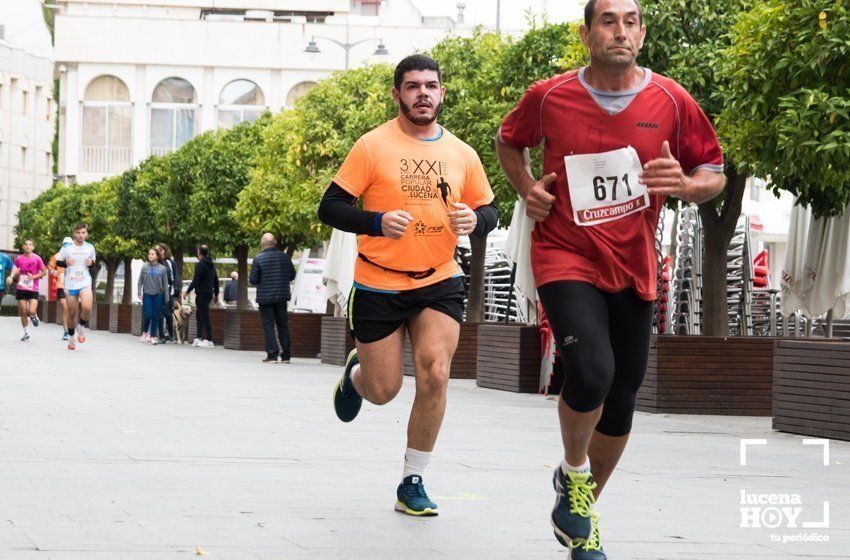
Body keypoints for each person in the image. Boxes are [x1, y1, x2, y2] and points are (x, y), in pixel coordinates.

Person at [495, 1, 725, 557]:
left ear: (642, 34)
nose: (619, 31)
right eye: (607, 20)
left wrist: (687, 187)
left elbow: (713, 171)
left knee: (622, 396)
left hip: (634, 263)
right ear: (586, 33)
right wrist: (527, 188)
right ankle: (573, 473)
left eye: (630, 21)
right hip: (565, 253)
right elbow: (509, 142)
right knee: (592, 372)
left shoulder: (671, 100)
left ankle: (580, 510)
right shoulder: (548, 95)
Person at [317, 54, 498, 516]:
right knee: (385, 390)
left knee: (436, 372)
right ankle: (357, 377)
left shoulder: (462, 153)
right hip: (378, 282)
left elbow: (490, 212)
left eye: (431, 85)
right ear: (397, 94)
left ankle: (412, 480)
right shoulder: (372, 146)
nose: (423, 93)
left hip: (439, 279)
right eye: (413, 86)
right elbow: (331, 207)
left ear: (442, 93)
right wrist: (375, 221)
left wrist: (473, 219)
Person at [249, 233, 296, 363]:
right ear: (274, 243)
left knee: (269, 326)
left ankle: (272, 355)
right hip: (281, 297)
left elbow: (253, 280)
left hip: (265, 298)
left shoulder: (258, 259)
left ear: (262, 244)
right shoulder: (285, 257)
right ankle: (286, 356)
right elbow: (292, 275)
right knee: (283, 326)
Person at [58, 223, 97, 351]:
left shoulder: (90, 247)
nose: (81, 235)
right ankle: (71, 339)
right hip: (70, 283)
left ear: (87, 234)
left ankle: (81, 326)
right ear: (74, 233)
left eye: (83, 233)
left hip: (85, 282)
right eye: (78, 233)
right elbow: (57, 261)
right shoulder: (67, 248)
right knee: (72, 312)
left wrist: (91, 263)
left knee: (87, 307)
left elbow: (93, 263)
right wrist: (65, 263)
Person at [6, 239, 46, 341]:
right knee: (23, 311)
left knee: (31, 310)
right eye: (26, 244)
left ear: (33, 247)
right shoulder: (19, 259)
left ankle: (33, 316)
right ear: (23, 247)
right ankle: (26, 333)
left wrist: (34, 277)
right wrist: (11, 276)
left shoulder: (37, 259)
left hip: (33, 289)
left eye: (30, 244)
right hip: (21, 288)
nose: (28, 246)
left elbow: (44, 272)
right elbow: (15, 268)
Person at [184, 244, 219, 347]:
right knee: (199, 315)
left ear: (199, 252)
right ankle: (199, 337)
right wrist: (216, 294)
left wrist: (187, 291)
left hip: (202, 293)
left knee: (204, 316)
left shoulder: (200, 265)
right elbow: (216, 280)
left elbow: (196, 280)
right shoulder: (211, 264)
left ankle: (209, 340)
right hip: (208, 293)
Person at [138, 247, 169, 345]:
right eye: (149, 254)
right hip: (147, 294)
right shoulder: (145, 267)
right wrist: (139, 292)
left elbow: (165, 284)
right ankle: (145, 332)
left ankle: (153, 336)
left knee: (155, 316)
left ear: (157, 256)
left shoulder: (162, 269)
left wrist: (167, 296)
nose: (150, 256)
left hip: (158, 295)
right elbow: (140, 281)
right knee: (148, 314)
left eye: (152, 254)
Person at [49, 237, 73, 340]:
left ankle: (71, 329)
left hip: (72, 285)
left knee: (71, 309)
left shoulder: (75, 256)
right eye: (65, 245)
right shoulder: (57, 256)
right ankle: (66, 332)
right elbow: (50, 266)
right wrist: (53, 272)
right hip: (61, 285)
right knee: (65, 308)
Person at [156, 243, 177, 343]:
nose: (159, 251)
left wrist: (177, 289)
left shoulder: (170, 262)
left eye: (160, 249)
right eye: (157, 250)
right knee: (159, 314)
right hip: (157, 290)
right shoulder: (154, 263)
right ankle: (161, 336)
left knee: (168, 314)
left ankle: (171, 332)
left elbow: (175, 276)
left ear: (165, 250)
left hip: (169, 289)